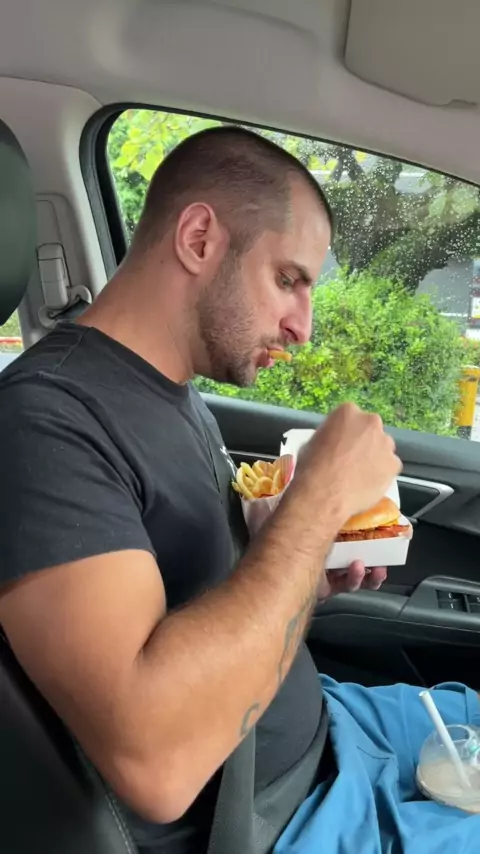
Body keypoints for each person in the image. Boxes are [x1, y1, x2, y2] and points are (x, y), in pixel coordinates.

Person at [0, 127, 478, 854]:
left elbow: (207, 604)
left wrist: (308, 574)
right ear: (198, 239)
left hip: (327, 734)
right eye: (288, 279)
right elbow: (155, 762)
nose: (303, 328)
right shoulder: (44, 424)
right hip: (278, 818)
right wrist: (316, 503)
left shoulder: (174, 393)